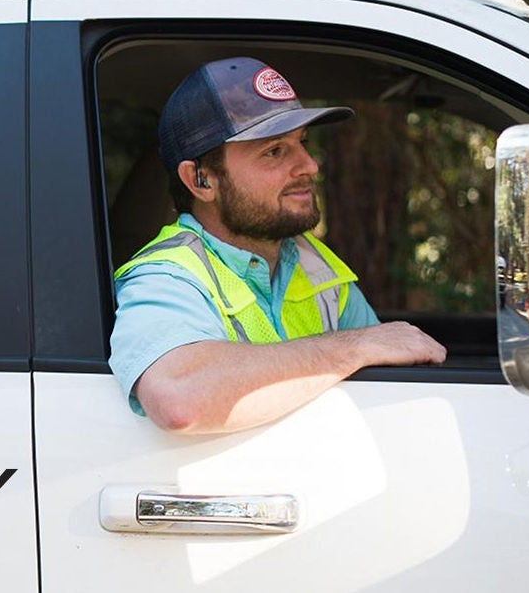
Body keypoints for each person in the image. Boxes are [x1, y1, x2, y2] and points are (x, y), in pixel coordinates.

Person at [109, 56, 446, 434]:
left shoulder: (315, 266)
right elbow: (180, 398)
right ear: (201, 180)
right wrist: (353, 347)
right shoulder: (166, 276)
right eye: (274, 151)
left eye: (302, 143)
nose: (310, 166)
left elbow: (386, 392)